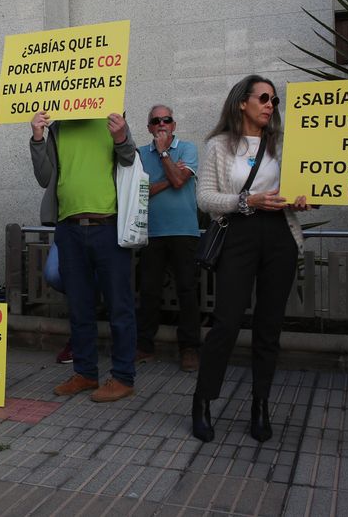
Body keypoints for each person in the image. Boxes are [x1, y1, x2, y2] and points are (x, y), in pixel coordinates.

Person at [192, 75, 310, 443]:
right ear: (242, 102)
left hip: (279, 236)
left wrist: (301, 198)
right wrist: (247, 201)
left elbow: (301, 189)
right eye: (263, 98)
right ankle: (203, 400)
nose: (269, 105)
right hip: (239, 235)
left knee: (269, 326)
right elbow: (205, 198)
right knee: (226, 322)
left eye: (274, 100)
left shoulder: (282, 145)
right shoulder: (219, 146)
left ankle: (261, 405)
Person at [31, 110, 138, 403]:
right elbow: (44, 178)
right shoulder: (59, 127)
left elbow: (130, 160)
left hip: (108, 227)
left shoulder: (111, 119)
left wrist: (121, 137)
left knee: (120, 306)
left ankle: (123, 378)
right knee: (79, 307)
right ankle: (86, 373)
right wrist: (38, 138)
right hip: (69, 228)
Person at [136, 104, 202, 372]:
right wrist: (173, 175)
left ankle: (189, 349)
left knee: (187, 290)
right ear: (149, 127)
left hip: (184, 231)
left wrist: (164, 155)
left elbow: (178, 182)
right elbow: (141, 192)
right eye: (156, 120)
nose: (162, 124)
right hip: (152, 232)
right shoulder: (140, 154)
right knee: (148, 291)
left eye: (167, 120)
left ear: (173, 125)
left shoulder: (188, 149)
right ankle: (144, 346)